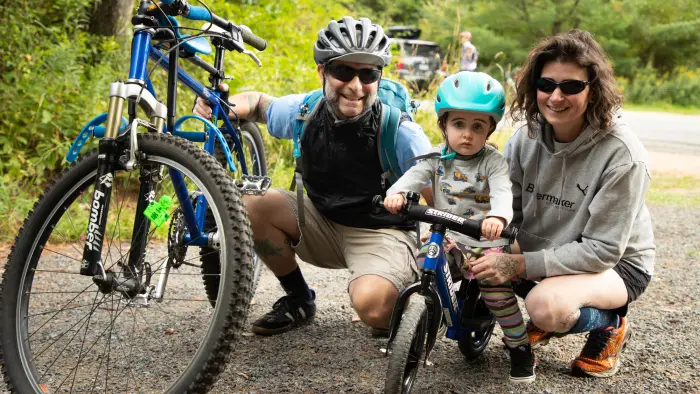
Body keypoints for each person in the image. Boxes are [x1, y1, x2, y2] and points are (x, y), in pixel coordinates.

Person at [193, 16, 433, 336]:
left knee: (375, 310)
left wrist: (442, 252)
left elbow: (439, 196)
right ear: (323, 71)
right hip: (319, 222)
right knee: (249, 202)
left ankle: (402, 292)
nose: (356, 86)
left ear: (380, 76)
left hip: (381, 231)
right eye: (343, 71)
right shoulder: (306, 111)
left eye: (368, 73)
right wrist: (218, 106)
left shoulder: (400, 131)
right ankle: (299, 298)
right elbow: (258, 104)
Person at [470, 29, 655, 378]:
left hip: (617, 264)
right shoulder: (526, 137)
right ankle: (558, 298)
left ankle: (611, 324)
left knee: (546, 308)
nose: (555, 96)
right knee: (476, 257)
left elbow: (602, 250)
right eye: (546, 84)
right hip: (552, 248)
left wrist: (518, 266)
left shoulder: (623, 155)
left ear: (593, 90)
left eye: (571, 87)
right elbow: (508, 211)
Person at [383, 71, 536, 383]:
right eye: (459, 124)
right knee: (424, 264)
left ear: (490, 130)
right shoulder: (436, 158)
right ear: (444, 125)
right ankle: (419, 320)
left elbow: (503, 192)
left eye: (477, 126)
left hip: (484, 239)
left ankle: (520, 348)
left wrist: (498, 218)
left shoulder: (493, 162)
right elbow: (414, 176)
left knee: (497, 293)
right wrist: (395, 194)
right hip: (448, 236)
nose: (467, 134)